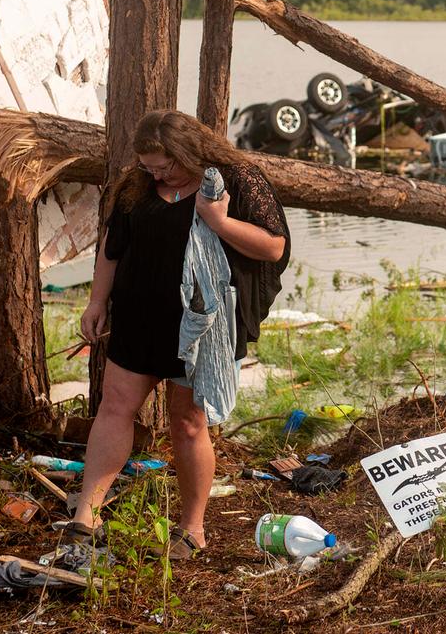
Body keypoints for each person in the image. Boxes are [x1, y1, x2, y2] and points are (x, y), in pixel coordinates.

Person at [69, 110, 289, 557]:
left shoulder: (236, 179)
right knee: (115, 406)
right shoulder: (136, 184)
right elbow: (112, 247)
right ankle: (85, 518)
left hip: (203, 324)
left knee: (188, 423)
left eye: (164, 166)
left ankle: (191, 529)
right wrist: (96, 302)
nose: (156, 174)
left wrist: (219, 222)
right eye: (148, 166)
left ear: (188, 152)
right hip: (138, 316)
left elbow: (273, 246)